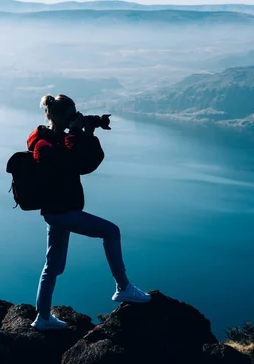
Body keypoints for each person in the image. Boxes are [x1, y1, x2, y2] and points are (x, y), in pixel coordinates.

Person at [28, 94, 151, 331]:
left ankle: (43, 317)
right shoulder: (46, 146)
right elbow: (80, 164)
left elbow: (82, 160)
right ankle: (123, 287)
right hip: (61, 212)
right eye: (71, 116)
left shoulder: (51, 139)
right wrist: (79, 134)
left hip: (58, 212)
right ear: (60, 116)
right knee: (111, 232)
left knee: (53, 266)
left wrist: (88, 129)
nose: (75, 119)